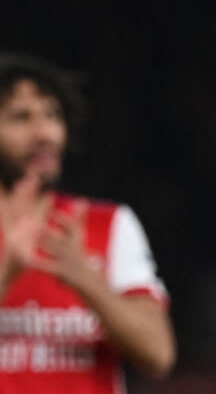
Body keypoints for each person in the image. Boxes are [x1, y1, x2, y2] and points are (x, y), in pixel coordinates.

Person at [0, 53, 176, 393]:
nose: (44, 133)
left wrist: (85, 279)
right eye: (20, 117)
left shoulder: (107, 225)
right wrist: (8, 273)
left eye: (52, 115)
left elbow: (159, 355)